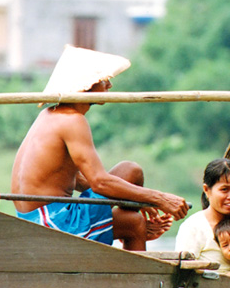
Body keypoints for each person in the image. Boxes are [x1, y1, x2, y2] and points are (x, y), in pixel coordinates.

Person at [11, 45, 189, 250]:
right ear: (87, 84)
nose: (110, 85)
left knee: (131, 200)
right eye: (104, 79)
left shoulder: (50, 116)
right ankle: (132, 229)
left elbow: (73, 178)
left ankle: (129, 224)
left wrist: (138, 200)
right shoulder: (72, 120)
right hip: (54, 222)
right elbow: (99, 183)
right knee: (132, 185)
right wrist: (159, 198)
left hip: (36, 217)